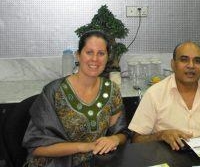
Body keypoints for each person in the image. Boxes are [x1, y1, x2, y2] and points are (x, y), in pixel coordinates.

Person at [22, 30, 128, 167]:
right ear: (78, 55)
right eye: (89, 52)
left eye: (101, 53)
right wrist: (83, 147)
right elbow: (36, 147)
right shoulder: (54, 92)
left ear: (107, 57)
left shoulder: (112, 90)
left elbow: (122, 133)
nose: (95, 59)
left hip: (95, 162)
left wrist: (114, 139)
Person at [129, 41, 200, 150]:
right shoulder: (154, 94)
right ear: (173, 64)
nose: (191, 66)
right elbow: (136, 140)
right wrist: (161, 135)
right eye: (184, 60)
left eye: (197, 61)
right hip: (167, 158)